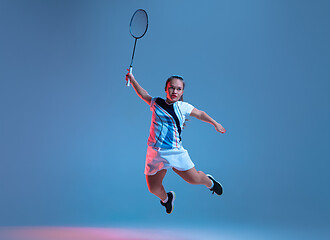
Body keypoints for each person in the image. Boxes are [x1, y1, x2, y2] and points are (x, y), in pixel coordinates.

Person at [125, 70, 226, 214]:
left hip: (175, 152)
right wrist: (132, 79)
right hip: (154, 153)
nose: (175, 91)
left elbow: (200, 114)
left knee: (194, 179)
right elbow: (143, 94)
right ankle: (167, 199)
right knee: (153, 188)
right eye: (172, 87)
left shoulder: (183, 107)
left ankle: (210, 182)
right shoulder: (156, 103)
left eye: (179, 89)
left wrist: (215, 123)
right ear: (166, 89)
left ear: (182, 91)